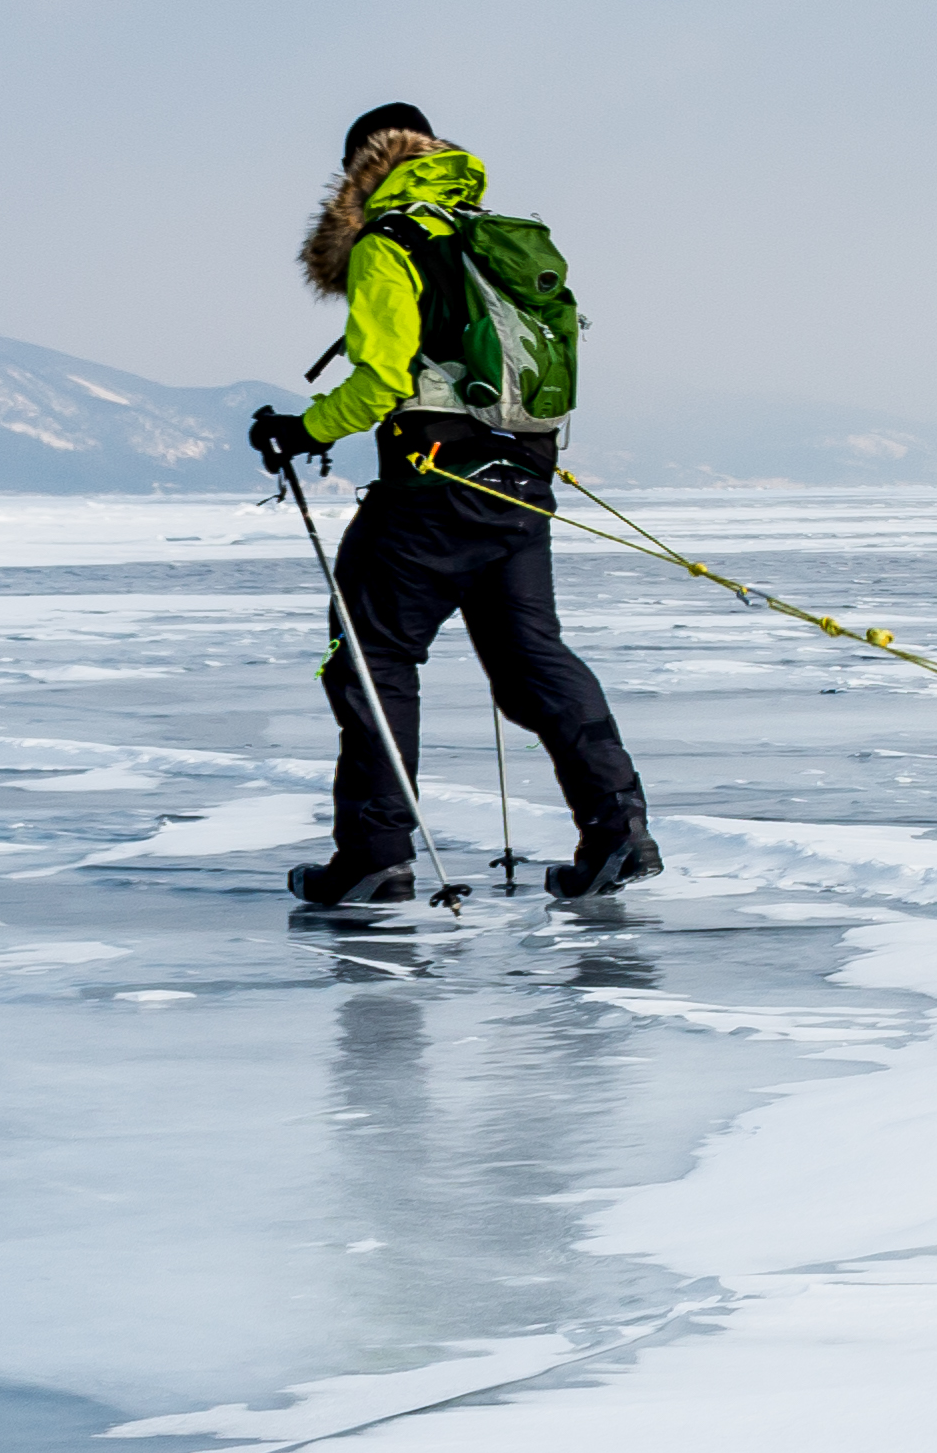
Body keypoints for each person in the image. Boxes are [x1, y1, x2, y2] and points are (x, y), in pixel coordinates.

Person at [247, 105, 661, 927]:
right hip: (520, 482)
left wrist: (299, 429)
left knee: (369, 660)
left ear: (356, 174)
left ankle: (374, 860)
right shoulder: (487, 236)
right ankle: (618, 832)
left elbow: (380, 381)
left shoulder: (388, 243)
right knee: (532, 662)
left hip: (432, 488)